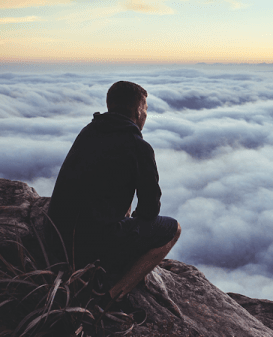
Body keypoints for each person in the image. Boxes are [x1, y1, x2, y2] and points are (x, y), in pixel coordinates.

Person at [47, 81, 181, 304]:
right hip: (90, 248)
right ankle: (109, 296)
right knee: (172, 229)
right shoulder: (138, 147)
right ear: (138, 111)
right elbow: (150, 209)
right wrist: (131, 226)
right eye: (146, 109)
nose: (146, 115)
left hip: (56, 240)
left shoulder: (89, 131)